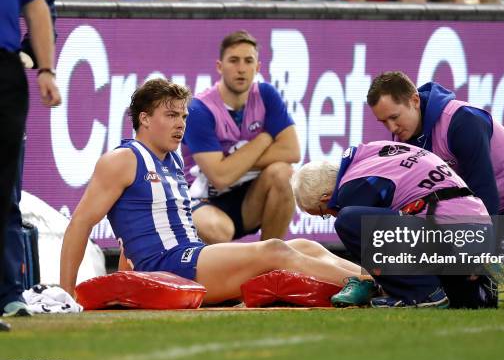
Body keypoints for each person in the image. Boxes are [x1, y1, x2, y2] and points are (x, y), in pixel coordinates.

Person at [59, 78, 364, 304]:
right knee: (276, 250)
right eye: (171, 116)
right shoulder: (122, 159)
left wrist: (131, 281)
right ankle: (376, 285)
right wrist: (66, 293)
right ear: (145, 118)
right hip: (171, 263)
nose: (181, 124)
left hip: (187, 258)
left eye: (183, 116)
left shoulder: (172, 160)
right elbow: (80, 224)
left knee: (304, 245)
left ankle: (385, 278)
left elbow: (132, 234)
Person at [366, 71, 504, 305]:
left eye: (394, 117)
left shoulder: (462, 121)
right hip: (476, 205)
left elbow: (484, 191)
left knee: (501, 293)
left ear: (414, 101)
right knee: (466, 285)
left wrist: (475, 251)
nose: (392, 127)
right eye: (383, 122)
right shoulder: (404, 137)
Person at [292, 142, 504, 309]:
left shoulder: (352, 189)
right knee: (467, 300)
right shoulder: (370, 155)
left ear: (325, 198)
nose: (330, 217)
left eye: (323, 214)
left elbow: (383, 251)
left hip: (446, 232)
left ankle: (424, 295)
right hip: (469, 228)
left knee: (348, 220)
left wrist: (377, 283)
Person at [182, 30, 299, 244]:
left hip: (248, 197)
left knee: (284, 174)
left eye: (248, 61)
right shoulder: (199, 109)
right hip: (202, 198)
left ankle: (270, 264)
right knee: (218, 231)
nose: (241, 69)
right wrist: (264, 139)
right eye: (234, 61)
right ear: (219, 66)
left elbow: (292, 151)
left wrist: (232, 162)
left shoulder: (266, 95)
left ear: (258, 67)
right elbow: (220, 176)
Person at [1, 0, 62, 326]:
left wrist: (45, 69)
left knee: (3, 189)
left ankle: (6, 293)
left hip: (5, 68)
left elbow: (39, 7)